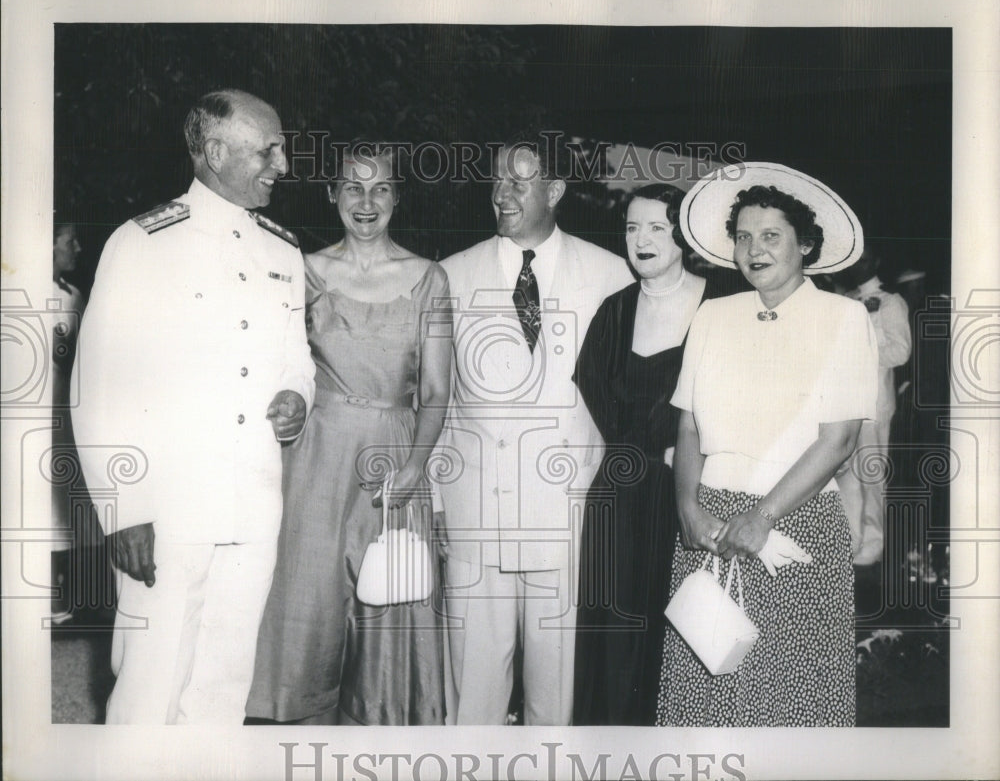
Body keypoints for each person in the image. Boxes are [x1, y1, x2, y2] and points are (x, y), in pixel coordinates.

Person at [71, 89, 315, 724]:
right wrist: (123, 508)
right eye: (268, 149)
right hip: (167, 512)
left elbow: (297, 359)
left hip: (252, 507)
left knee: (222, 691)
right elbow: (96, 385)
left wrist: (297, 395)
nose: (282, 165)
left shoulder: (282, 250)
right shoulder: (142, 243)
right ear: (213, 152)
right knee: (150, 690)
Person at [656, 163, 878, 727]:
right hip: (709, 528)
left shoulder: (844, 317)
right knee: (706, 702)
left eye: (771, 236)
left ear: (805, 244)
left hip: (794, 524)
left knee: (789, 701)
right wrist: (687, 507)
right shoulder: (711, 316)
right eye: (744, 237)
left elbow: (840, 439)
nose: (754, 249)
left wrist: (763, 516)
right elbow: (687, 428)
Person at [247, 142, 452, 725]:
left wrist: (415, 465)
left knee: (394, 614)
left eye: (381, 187)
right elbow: (280, 368)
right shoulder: (302, 272)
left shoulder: (428, 277)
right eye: (353, 188)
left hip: (397, 461)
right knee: (304, 622)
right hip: (315, 459)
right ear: (332, 193)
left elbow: (436, 391)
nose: (367, 202)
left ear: (396, 196)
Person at [438, 134, 634, 725]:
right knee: (470, 696)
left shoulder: (613, 276)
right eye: (496, 181)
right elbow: (435, 402)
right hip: (475, 513)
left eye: (517, 184)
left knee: (560, 696)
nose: (500, 194)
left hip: (567, 516)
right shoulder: (447, 276)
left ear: (554, 191)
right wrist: (436, 502)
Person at [572, 184, 722, 725]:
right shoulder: (614, 311)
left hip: (689, 492)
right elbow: (594, 388)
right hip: (619, 494)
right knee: (612, 641)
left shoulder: (720, 305)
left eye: (657, 227)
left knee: (677, 634)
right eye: (632, 228)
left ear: (684, 236)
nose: (642, 239)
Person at [836, 248, 912, 566]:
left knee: (871, 474)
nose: (858, 266)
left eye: (865, 259)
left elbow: (901, 352)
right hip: (846, 402)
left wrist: (864, 348)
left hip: (875, 404)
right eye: (854, 260)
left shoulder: (891, 302)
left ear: (876, 262)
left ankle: (874, 542)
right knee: (846, 476)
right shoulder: (844, 301)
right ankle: (851, 539)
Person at [50, 221, 86, 623]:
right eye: (69, 241)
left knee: (59, 504)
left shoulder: (75, 297)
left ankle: (56, 593)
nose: (77, 247)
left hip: (61, 415)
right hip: (24, 417)